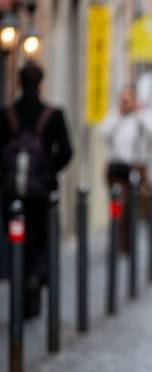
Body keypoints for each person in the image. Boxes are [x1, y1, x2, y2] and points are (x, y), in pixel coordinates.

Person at [0, 61, 73, 319]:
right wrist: (49, 172)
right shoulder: (53, 114)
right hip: (42, 195)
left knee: (16, 241)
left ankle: (19, 282)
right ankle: (36, 278)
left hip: (12, 195)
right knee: (41, 241)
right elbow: (66, 152)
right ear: (41, 83)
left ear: (19, 82)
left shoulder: (7, 113)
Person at [95, 85, 152, 254]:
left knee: (133, 205)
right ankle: (119, 241)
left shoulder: (143, 116)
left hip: (136, 166)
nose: (125, 102)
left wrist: (140, 112)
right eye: (123, 98)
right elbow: (102, 131)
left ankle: (128, 242)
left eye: (128, 98)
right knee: (118, 205)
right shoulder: (115, 116)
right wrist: (118, 114)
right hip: (116, 167)